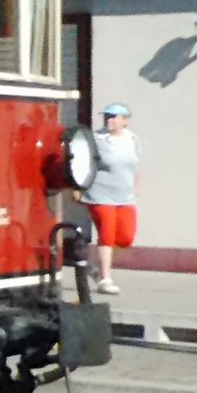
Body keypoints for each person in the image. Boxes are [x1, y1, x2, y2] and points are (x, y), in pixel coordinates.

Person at [82, 102, 139, 296]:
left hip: (125, 196)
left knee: (125, 238)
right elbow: (81, 162)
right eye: (107, 116)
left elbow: (135, 165)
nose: (109, 120)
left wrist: (136, 185)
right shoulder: (96, 139)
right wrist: (78, 187)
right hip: (100, 192)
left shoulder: (132, 139)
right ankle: (105, 279)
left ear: (125, 121)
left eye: (114, 117)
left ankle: (97, 266)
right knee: (107, 233)